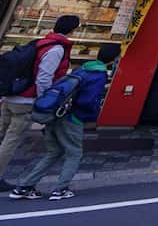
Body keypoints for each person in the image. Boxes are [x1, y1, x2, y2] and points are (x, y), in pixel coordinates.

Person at [9, 41, 117, 202]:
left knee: (54, 152)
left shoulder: (81, 69)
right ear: (113, 59)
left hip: (54, 114)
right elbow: (87, 101)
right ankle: (60, 189)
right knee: (74, 153)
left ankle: (24, 186)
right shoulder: (98, 75)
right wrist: (92, 115)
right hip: (72, 118)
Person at [0, 15, 78, 189]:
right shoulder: (57, 48)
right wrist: (44, 101)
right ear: (73, 30)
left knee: (2, 134)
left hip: (12, 96)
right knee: (11, 140)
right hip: (26, 99)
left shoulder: (40, 42)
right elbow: (44, 77)